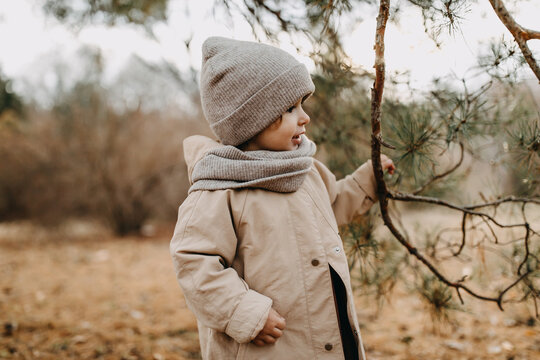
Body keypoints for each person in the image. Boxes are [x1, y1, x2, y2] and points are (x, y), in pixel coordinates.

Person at [170, 36, 395, 360]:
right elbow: (193, 262)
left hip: (327, 334)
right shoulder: (220, 190)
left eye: (302, 104)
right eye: (290, 108)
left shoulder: (305, 170)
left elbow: (330, 207)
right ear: (251, 119)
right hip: (268, 346)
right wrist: (243, 312)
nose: (304, 117)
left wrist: (365, 183)